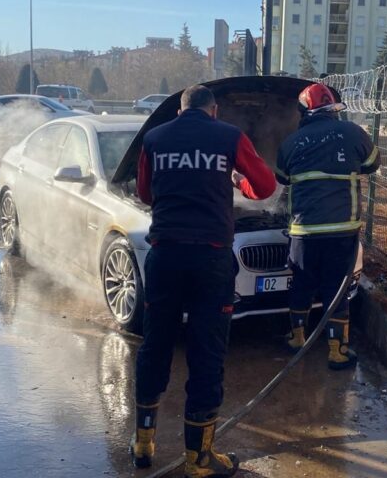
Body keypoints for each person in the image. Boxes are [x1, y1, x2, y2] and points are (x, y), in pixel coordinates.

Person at [132, 84, 276, 477]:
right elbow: (264, 187)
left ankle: (143, 443)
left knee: (156, 343)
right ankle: (199, 460)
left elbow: (145, 194)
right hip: (210, 259)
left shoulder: (155, 138)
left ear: (180, 111)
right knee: (207, 352)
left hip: (165, 256)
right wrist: (235, 182)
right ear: (213, 110)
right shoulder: (228, 136)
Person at [276, 83, 380, 371]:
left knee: (301, 284)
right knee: (337, 288)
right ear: (334, 109)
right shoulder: (353, 133)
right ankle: (337, 351)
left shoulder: (291, 142)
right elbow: (372, 164)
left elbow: (282, 178)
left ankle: (297, 338)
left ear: (304, 111)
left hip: (304, 232)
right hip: (342, 231)